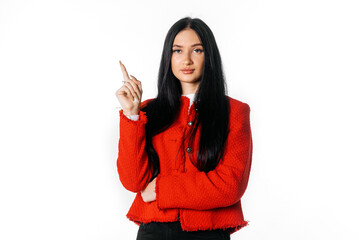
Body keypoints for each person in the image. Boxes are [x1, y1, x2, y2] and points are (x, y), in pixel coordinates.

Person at [115, 17, 253, 240]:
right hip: (154, 231)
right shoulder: (148, 111)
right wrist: (132, 114)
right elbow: (134, 182)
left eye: (197, 50)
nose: (186, 60)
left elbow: (230, 185)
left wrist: (161, 189)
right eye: (177, 51)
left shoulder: (234, 112)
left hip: (210, 232)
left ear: (209, 56)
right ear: (168, 57)